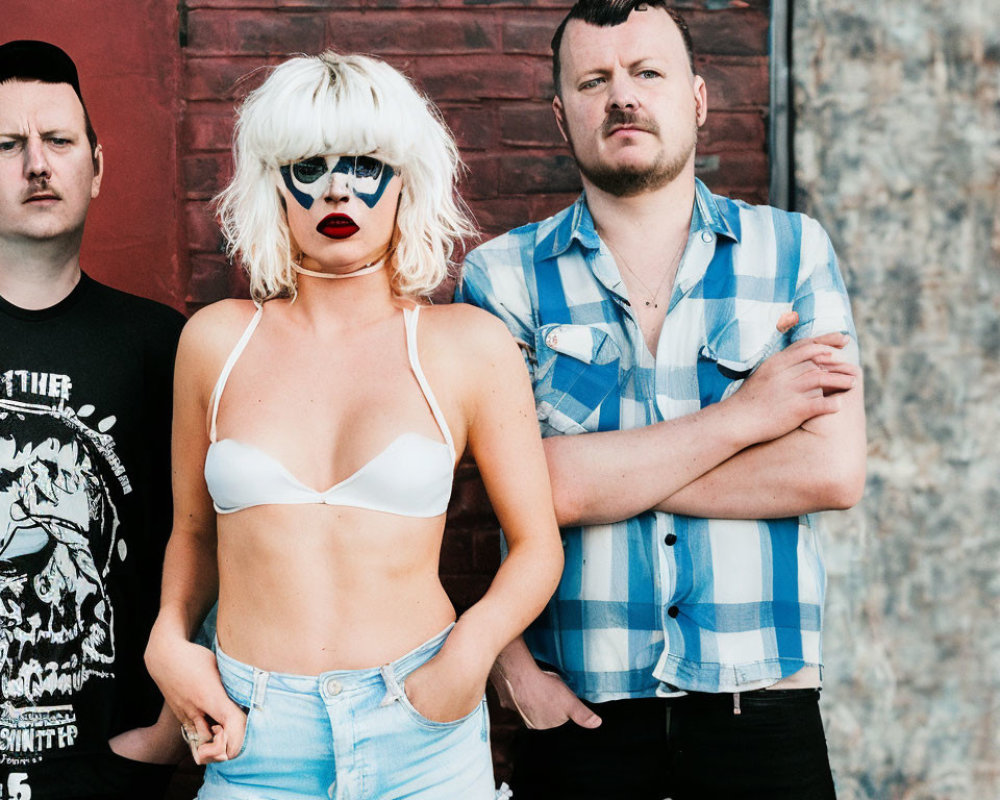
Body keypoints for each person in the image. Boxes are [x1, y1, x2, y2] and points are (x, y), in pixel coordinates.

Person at [456, 2, 867, 798]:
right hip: (582, 711)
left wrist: (582, 480)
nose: (623, 96)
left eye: (648, 72)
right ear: (560, 114)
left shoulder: (792, 250)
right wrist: (745, 421)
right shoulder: (500, 278)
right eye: (595, 79)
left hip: (762, 705)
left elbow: (831, 472)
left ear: (698, 98)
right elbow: (523, 491)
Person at [144, 50, 563, 800]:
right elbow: (194, 532)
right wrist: (169, 642)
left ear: (407, 181)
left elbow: (536, 545)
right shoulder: (216, 341)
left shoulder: (465, 345)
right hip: (253, 736)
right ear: (273, 183)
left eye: (367, 162)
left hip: (421, 733)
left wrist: (468, 655)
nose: (338, 187)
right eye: (309, 163)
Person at [0, 40, 187, 800]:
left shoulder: (162, 345)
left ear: (97, 167)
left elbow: (203, 545)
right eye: (7, 145)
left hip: (111, 769)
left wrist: (166, 734)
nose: (37, 164)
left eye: (59, 141)